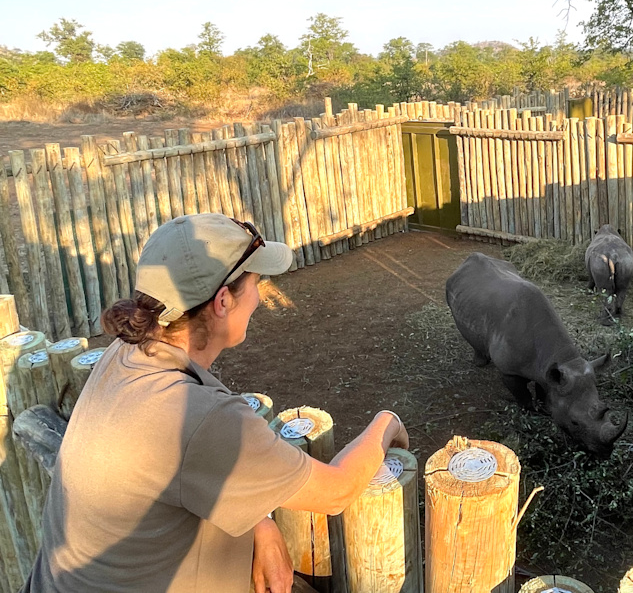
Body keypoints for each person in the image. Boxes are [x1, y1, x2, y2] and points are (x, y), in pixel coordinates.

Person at [22, 213, 408, 593]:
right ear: (223, 301)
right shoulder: (203, 416)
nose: (260, 296)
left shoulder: (125, 353)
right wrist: (386, 422)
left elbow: (185, 469)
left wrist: (261, 519)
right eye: (257, 282)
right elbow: (337, 491)